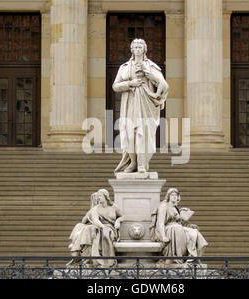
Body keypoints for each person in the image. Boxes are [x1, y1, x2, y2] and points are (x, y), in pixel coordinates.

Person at [113, 39, 169, 174]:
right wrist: (131, 83)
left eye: (140, 46)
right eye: (135, 46)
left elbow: (163, 84)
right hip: (130, 105)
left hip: (146, 105)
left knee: (141, 135)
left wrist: (149, 75)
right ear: (132, 49)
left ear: (144, 49)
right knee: (129, 136)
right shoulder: (124, 67)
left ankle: (142, 164)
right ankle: (133, 162)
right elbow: (115, 86)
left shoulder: (151, 66)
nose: (138, 49)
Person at [150, 188, 208, 263]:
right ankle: (176, 257)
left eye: (176, 195)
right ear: (168, 196)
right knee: (177, 229)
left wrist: (189, 225)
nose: (174, 197)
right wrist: (163, 236)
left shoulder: (175, 208)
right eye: (172, 195)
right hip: (169, 229)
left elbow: (179, 223)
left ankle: (193, 259)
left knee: (196, 233)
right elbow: (160, 222)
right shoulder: (164, 205)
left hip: (178, 227)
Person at [68, 189, 123, 267]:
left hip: (111, 228)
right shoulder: (96, 208)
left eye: (100, 196)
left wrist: (118, 221)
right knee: (92, 231)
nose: (98, 198)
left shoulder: (114, 207)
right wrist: (103, 227)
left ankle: (106, 261)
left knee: (103, 233)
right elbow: (95, 220)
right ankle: (93, 259)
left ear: (106, 196)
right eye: (97, 196)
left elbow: (123, 216)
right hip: (101, 227)